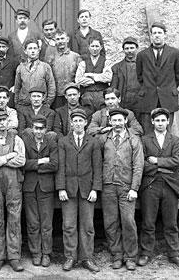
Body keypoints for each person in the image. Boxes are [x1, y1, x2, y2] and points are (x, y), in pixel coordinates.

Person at [138, 108, 179, 268]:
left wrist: (157, 162)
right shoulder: (145, 140)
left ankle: (174, 254)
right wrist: (163, 166)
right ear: (152, 122)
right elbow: (142, 164)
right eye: (157, 120)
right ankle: (145, 253)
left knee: (171, 222)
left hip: (170, 185)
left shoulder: (175, 140)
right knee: (148, 222)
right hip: (150, 185)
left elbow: (178, 161)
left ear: (168, 122)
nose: (160, 123)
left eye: (163, 120)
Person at [56, 108, 102, 272]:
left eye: (80, 121)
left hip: (87, 189)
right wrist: (61, 187)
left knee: (88, 226)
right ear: (71, 123)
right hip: (68, 190)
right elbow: (60, 166)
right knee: (68, 225)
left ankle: (86, 258)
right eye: (74, 120)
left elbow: (97, 167)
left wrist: (95, 189)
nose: (77, 123)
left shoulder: (93, 142)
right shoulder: (63, 141)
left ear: (86, 123)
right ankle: (70, 257)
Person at [99, 108, 144, 271]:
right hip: (108, 185)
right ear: (110, 122)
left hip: (126, 187)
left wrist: (134, 188)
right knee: (110, 223)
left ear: (125, 121)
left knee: (128, 222)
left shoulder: (134, 139)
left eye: (120, 120)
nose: (117, 123)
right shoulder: (104, 138)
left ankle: (130, 256)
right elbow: (97, 162)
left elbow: (138, 166)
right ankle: (117, 255)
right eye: (114, 120)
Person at [0, 110, 26, 272]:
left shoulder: (17, 139)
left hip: (14, 183)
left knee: (14, 218)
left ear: (8, 122)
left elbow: (21, 160)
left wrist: (0, 160)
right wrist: (9, 157)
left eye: (4, 120)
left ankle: (14, 256)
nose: (1, 123)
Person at [22, 115, 58, 267]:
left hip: (46, 188)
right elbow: (23, 164)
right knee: (32, 222)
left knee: (46, 223)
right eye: (36, 128)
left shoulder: (51, 142)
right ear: (32, 128)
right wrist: (42, 161)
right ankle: (35, 252)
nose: (38, 131)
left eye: (41, 128)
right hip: (30, 187)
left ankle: (46, 254)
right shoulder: (26, 142)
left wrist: (34, 166)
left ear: (46, 129)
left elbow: (55, 165)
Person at [136, 22, 179, 134]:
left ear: (164, 35)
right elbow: (139, 76)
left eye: (159, 33)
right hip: (148, 98)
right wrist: (148, 87)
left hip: (167, 98)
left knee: (167, 132)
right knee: (148, 132)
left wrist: (169, 87)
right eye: (154, 33)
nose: (157, 35)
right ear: (151, 35)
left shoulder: (175, 53)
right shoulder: (142, 55)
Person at [14, 39, 56, 107]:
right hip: (24, 105)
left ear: (38, 50)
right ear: (25, 51)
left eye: (35, 48)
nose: (33, 51)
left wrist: (47, 104)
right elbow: (17, 88)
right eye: (30, 48)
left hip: (41, 105)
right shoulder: (20, 68)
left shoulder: (45, 67)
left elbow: (51, 87)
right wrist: (17, 104)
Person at [46, 29, 82, 109]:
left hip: (72, 95)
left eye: (62, 38)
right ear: (55, 41)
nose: (60, 41)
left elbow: (80, 77)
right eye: (58, 39)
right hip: (57, 96)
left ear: (67, 39)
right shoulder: (51, 58)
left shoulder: (76, 57)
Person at [75, 37, 112, 113]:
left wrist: (91, 76)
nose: (94, 49)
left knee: (103, 115)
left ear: (101, 47)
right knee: (88, 115)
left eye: (97, 46)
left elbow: (108, 77)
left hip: (102, 94)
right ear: (89, 47)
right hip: (87, 95)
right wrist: (99, 78)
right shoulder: (83, 63)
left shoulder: (106, 62)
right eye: (92, 46)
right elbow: (78, 80)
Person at [111, 37, 141, 119]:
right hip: (124, 103)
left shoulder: (144, 66)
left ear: (137, 48)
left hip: (140, 103)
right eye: (127, 48)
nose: (130, 51)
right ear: (123, 50)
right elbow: (113, 88)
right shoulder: (116, 67)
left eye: (132, 48)